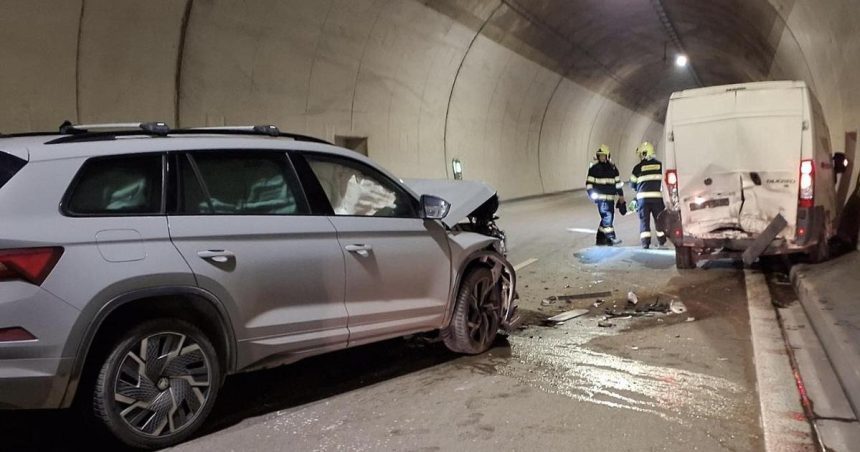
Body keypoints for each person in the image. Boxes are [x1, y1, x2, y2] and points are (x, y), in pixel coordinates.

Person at [629, 141, 666, 249]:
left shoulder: (637, 168)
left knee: (644, 221)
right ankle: (662, 241)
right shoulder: (660, 166)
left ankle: (645, 243)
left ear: (645, 153)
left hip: (643, 200)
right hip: (657, 199)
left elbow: (632, 185)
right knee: (659, 220)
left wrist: (640, 189)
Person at [586, 144, 625, 245]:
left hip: (610, 199)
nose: (602, 157)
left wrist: (621, 196)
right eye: (600, 156)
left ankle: (600, 238)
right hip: (601, 200)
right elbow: (589, 184)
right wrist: (592, 194)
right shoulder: (594, 169)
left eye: (604, 155)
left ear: (607, 156)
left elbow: (618, 183)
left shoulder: (613, 169)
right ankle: (611, 237)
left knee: (608, 217)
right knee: (607, 216)